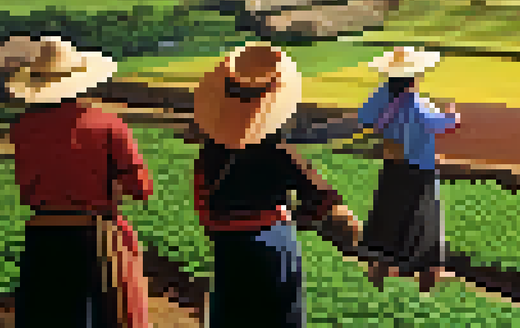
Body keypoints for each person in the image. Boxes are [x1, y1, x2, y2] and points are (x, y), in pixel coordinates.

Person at [191, 42, 362, 327]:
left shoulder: (211, 151)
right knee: (280, 315)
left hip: (228, 246)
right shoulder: (277, 151)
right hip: (271, 243)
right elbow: (322, 199)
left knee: (232, 313)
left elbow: (202, 201)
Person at [0, 35, 153, 328]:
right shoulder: (107, 123)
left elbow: (25, 186)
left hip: (42, 239)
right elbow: (142, 189)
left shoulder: (22, 128)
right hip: (92, 239)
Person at [355, 46, 462, 293]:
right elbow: (441, 124)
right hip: (419, 171)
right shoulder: (415, 102)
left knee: (386, 220)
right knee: (426, 227)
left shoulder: (382, 95)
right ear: (414, 75)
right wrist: (452, 114)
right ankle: (427, 288)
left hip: (393, 167)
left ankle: (377, 280)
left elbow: (364, 118)